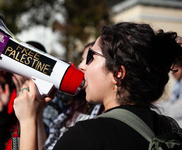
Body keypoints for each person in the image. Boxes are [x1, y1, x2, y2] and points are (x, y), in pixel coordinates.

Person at [13, 22, 182, 150]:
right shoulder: (168, 128)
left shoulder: (85, 136)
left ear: (117, 74)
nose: (82, 66)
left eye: (91, 57)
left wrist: (28, 121)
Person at [40, 41, 104, 150]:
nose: (81, 66)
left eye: (90, 60)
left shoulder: (104, 115)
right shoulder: (73, 106)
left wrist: (28, 118)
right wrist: (34, 113)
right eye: (82, 60)